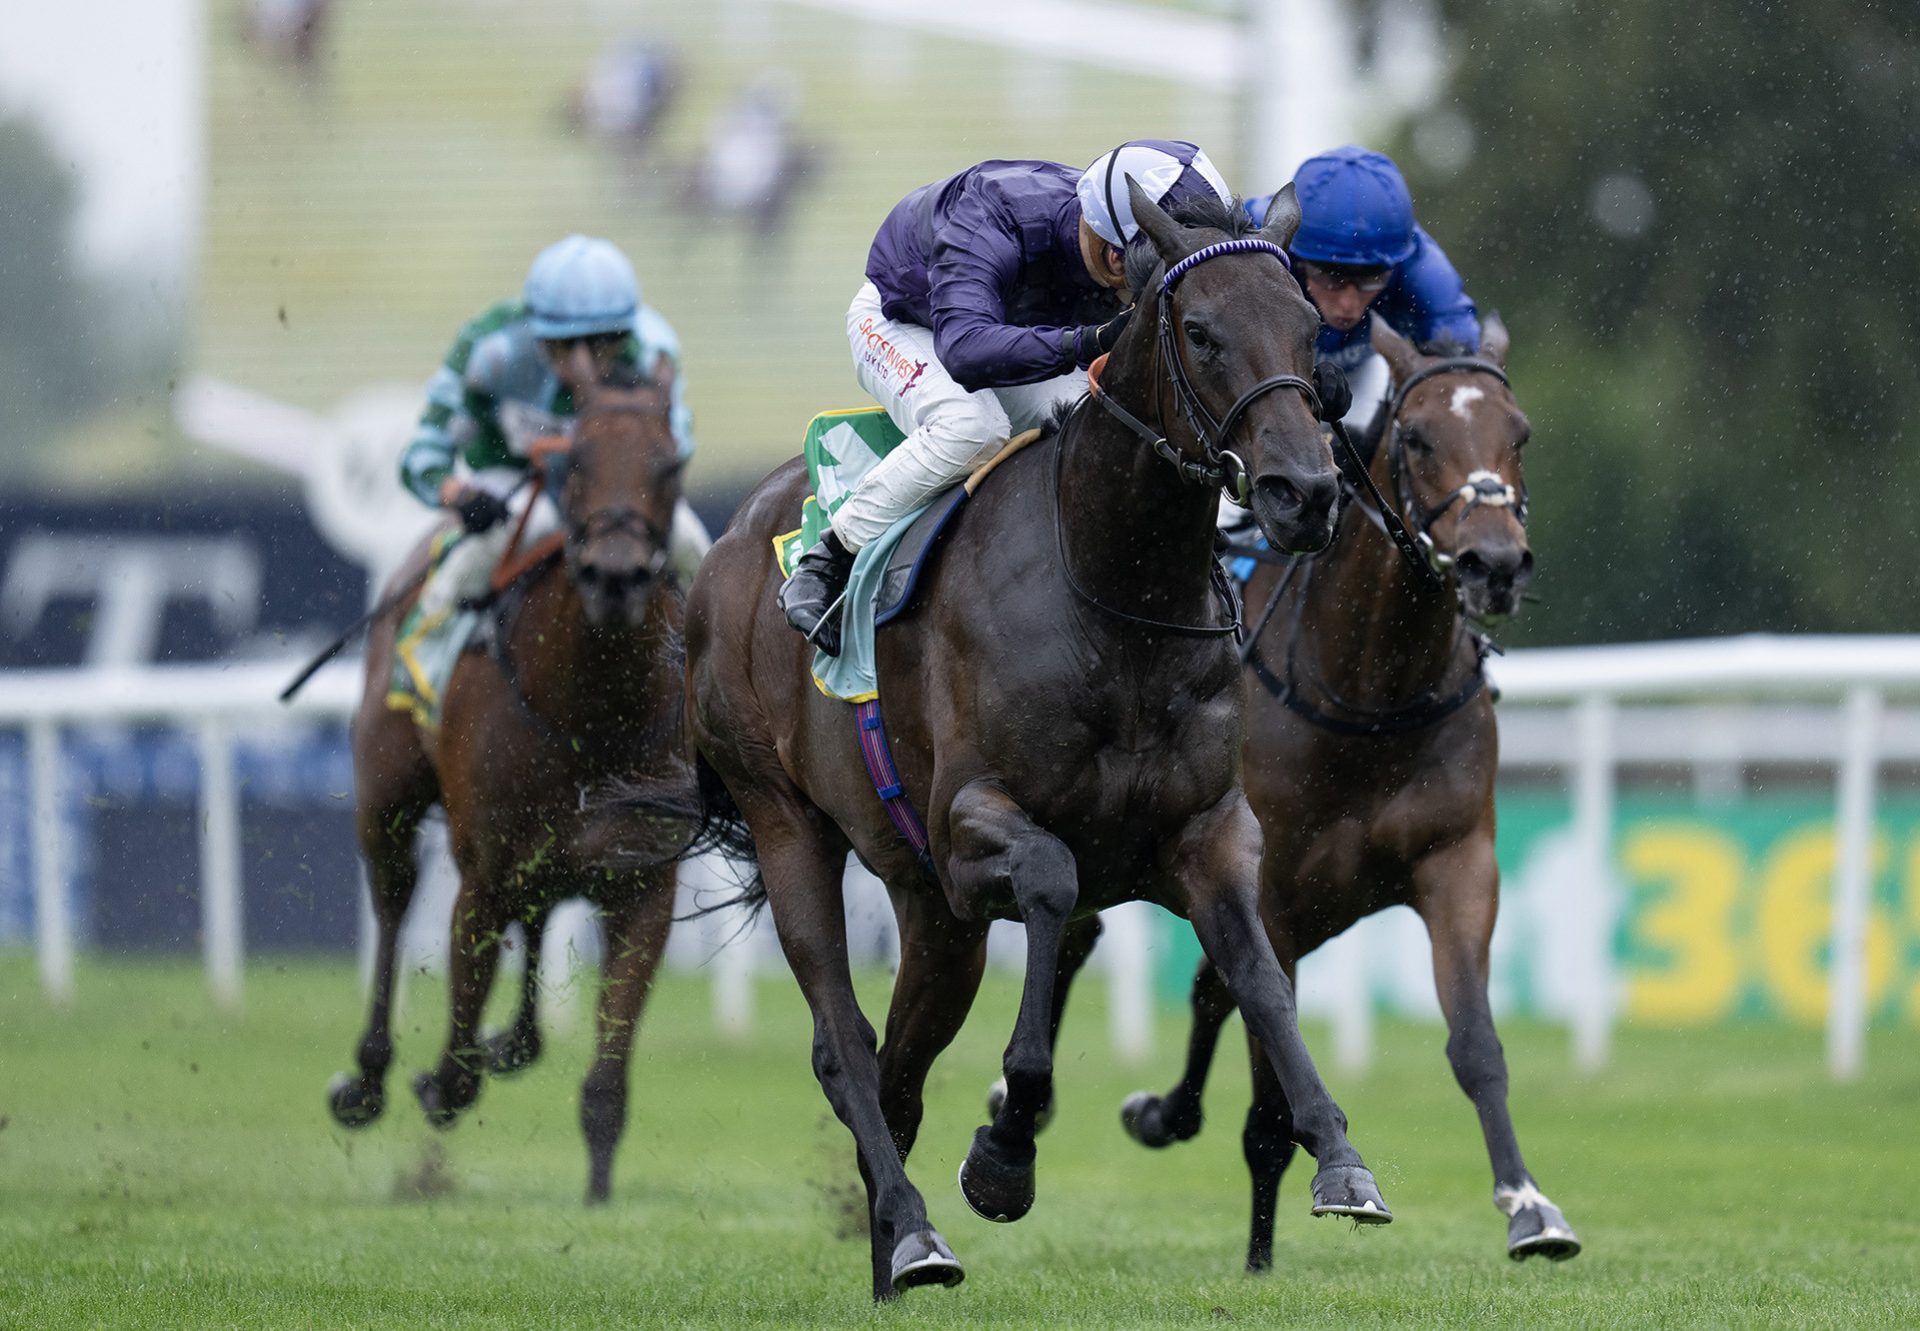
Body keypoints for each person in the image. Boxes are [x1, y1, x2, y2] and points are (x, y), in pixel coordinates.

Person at [779, 139, 1233, 650]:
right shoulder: (996, 216)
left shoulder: (1116, 235)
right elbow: (967, 350)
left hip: (1012, 326)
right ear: (1114, 255)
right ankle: (828, 559)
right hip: (909, 321)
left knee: (1103, 416)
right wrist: (1089, 341)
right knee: (973, 427)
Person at [398, 235, 709, 636]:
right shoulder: (487, 350)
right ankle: (423, 663)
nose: (583, 361)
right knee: (481, 553)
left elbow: (674, 452)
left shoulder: (654, 355)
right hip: (513, 490)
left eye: (603, 343)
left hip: (618, 498)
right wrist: (458, 495)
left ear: (625, 334)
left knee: (690, 544)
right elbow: (423, 454)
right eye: (563, 344)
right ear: (534, 329)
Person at [1244, 144, 1481, 421]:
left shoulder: (1422, 269)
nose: (1348, 304)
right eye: (1333, 278)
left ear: (1394, 265)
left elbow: (1462, 373)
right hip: (1262, 375)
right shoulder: (1254, 245)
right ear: (1298, 258)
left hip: (1364, 372)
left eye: (1371, 279)